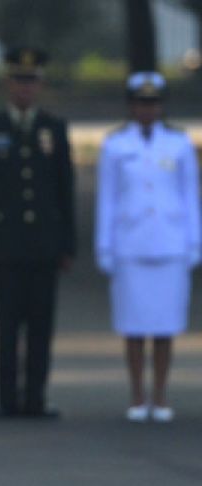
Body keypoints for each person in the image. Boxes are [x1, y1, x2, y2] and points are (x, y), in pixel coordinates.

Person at [0, 47, 76, 419]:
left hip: (45, 246)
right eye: (19, 80)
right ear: (8, 83)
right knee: (8, 326)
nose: (25, 88)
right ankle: (6, 399)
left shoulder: (54, 128)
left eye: (31, 81)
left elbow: (65, 191)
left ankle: (36, 397)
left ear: (40, 84)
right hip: (6, 246)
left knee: (41, 327)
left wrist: (68, 245)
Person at [95, 72, 199, 423]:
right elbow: (107, 199)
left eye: (153, 103)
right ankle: (137, 394)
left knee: (166, 325)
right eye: (141, 103)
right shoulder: (115, 145)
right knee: (134, 325)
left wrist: (194, 240)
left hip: (170, 242)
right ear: (130, 106)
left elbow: (190, 196)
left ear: (161, 106)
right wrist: (104, 245)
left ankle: (161, 394)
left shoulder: (179, 143)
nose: (147, 109)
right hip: (130, 243)